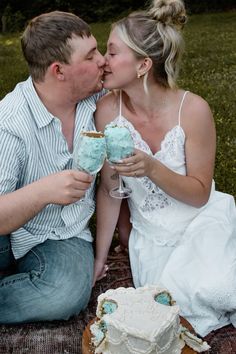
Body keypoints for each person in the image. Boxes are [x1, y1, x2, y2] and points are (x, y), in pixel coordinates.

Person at [93, 0, 236, 337]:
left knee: (217, 287)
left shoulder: (193, 110)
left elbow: (200, 194)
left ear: (143, 65)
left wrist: (152, 168)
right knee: (172, 306)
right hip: (152, 239)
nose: (103, 60)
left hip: (202, 223)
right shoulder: (107, 112)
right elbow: (110, 190)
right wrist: (99, 259)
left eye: (112, 52)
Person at [0, 11, 105, 324]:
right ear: (59, 70)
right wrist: (43, 191)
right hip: (8, 232)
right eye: (91, 55)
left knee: (65, 293)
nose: (102, 61)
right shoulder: (10, 122)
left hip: (62, 236)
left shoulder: (101, 100)